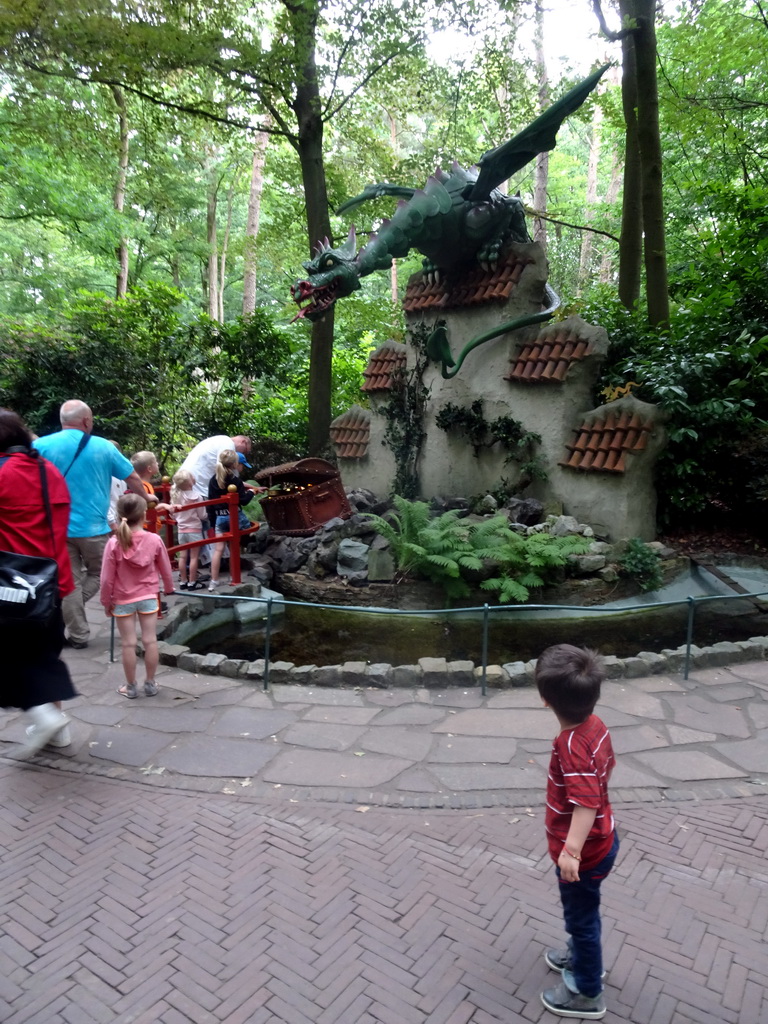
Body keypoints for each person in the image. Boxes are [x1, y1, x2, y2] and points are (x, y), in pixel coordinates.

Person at [536, 644, 618, 1021]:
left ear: (545, 701)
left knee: (581, 919)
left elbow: (585, 802)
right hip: (604, 839)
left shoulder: (570, 745)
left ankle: (587, 991)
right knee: (586, 911)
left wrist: (571, 852)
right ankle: (585, 957)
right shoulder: (596, 726)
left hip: (585, 852)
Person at [34, 400, 147, 649]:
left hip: (56, 528)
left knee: (69, 583)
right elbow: (132, 476)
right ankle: (70, 613)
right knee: (101, 573)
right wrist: (146, 499)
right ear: (86, 420)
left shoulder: (39, 445)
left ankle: (78, 634)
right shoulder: (102, 447)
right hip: (94, 528)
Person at [0, 409, 78, 756]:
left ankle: (44, 715)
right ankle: (56, 729)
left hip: (12, 587)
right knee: (45, 654)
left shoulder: (3, 474)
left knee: (15, 657)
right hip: (53, 582)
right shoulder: (48, 471)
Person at [100, 493, 174, 699]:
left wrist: (106, 602)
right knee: (150, 640)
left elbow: (106, 578)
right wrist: (168, 588)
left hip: (123, 599)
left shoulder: (113, 543)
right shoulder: (154, 539)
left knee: (128, 644)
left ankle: (131, 687)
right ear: (144, 514)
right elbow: (166, 569)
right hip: (148, 596)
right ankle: (150, 684)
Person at [207, 448, 254, 591]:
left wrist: (212, 523)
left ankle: (213, 581)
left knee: (218, 550)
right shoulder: (235, 481)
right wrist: (251, 492)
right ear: (234, 464)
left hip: (220, 518)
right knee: (244, 535)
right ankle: (235, 577)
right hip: (235, 518)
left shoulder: (213, 481)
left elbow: (210, 503)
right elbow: (243, 501)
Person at [170, 468, 206, 590]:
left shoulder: (176, 496)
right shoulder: (197, 497)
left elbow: (172, 514)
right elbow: (202, 516)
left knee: (183, 556)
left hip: (181, 530)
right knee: (194, 557)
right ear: (191, 482)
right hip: (194, 530)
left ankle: (183, 581)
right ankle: (192, 582)